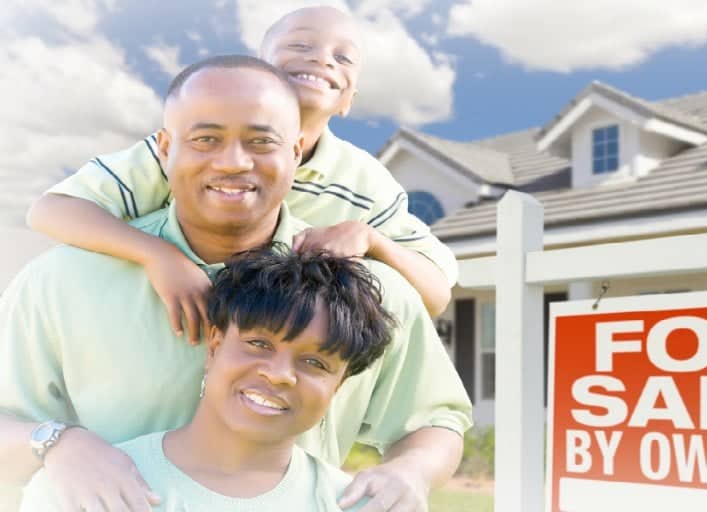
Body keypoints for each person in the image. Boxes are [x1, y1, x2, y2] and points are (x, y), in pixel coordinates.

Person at [0, 55, 471, 512]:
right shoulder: (62, 281)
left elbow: (435, 417)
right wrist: (59, 444)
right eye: (205, 139)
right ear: (166, 149)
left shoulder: (366, 294)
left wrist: (411, 473)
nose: (232, 163)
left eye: (260, 142)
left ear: (296, 151)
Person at [26, 7, 455, 350]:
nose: (322, 58)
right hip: (165, 332)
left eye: (343, 57)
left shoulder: (364, 182)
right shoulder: (191, 149)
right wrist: (157, 256)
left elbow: (434, 295)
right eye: (301, 44)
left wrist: (371, 239)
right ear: (255, 69)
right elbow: (51, 210)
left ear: (348, 100)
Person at [20, 247, 394, 511]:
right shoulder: (82, 488)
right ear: (214, 346)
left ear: (338, 386)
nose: (279, 375)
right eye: (259, 343)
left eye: (314, 362)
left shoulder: (355, 504)